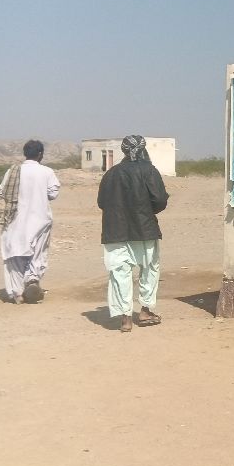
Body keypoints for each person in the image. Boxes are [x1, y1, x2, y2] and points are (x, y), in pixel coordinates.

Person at [97, 135, 169, 332]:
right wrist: (145, 211)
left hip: (115, 231)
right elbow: (160, 200)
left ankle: (125, 319)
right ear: (143, 149)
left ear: (123, 150)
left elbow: (102, 203)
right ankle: (145, 311)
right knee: (150, 268)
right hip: (144, 229)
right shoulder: (149, 170)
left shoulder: (111, 174)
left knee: (120, 273)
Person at [0, 140, 61, 304]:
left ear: (25, 153)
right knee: (37, 253)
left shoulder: (13, 171)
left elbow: (2, 191)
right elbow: (53, 193)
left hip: (15, 221)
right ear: (40, 154)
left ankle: (17, 293)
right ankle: (32, 279)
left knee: (15, 255)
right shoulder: (46, 172)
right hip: (40, 220)